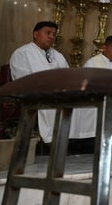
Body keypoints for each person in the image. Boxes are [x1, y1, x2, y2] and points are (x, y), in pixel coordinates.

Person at [9, 21, 96, 149]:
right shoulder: (22, 53)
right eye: (48, 33)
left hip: (60, 93)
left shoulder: (58, 55)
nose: (51, 37)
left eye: (54, 34)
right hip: (36, 95)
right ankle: (55, 142)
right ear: (35, 34)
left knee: (86, 103)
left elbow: (68, 76)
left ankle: (82, 140)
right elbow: (22, 80)